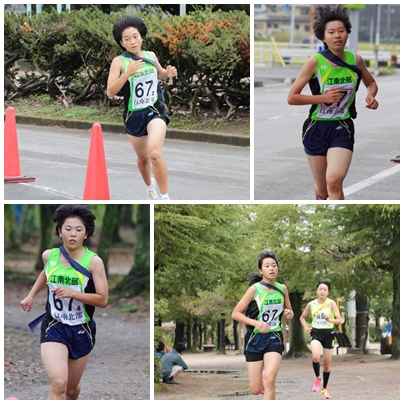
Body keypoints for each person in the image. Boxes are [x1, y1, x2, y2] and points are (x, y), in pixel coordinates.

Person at [287, 5, 379, 200]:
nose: (337, 35)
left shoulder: (356, 60)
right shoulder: (315, 62)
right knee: (323, 190)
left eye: (341, 31)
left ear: (347, 33)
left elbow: (371, 83)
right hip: (316, 128)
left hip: (341, 127)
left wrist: (371, 95)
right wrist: (323, 98)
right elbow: (292, 97)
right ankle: (320, 199)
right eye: (331, 32)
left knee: (334, 181)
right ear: (323, 37)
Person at [20, 205, 109, 400]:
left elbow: (102, 299)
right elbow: (46, 272)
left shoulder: (93, 262)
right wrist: (31, 295)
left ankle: (73, 393)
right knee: (59, 384)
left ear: (86, 234)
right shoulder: (49, 256)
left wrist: (72, 294)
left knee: (70, 389)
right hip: (54, 325)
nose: (73, 234)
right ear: (60, 232)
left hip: (81, 328)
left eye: (78, 229)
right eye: (68, 229)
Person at [107, 15, 178, 200]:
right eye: (127, 39)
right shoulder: (119, 62)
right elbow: (110, 92)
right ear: (121, 43)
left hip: (155, 111)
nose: (132, 41)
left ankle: (165, 198)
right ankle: (149, 188)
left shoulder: (150, 55)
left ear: (141, 37)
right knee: (143, 158)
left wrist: (168, 73)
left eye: (135, 36)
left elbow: (160, 73)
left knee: (154, 153)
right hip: (134, 115)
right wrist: (127, 74)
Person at [232, 251, 294, 400]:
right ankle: (263, 378)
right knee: (255, 389)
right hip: (254, 339)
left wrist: (289, 313)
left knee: (270, 380)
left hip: (274, 337)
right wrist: (256, 323)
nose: (271, 268)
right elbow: (236, 313)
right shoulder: (255, 289)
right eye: (267, 266)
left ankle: (267, 377)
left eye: (274, 265)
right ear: (261, 270)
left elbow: (289, 310)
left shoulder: (282, 288)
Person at [299, 280, 343, 399]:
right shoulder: (311, 304)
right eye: (320, 289)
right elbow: (302, 318)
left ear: (328, 292)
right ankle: (318, 378)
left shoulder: (331, 303)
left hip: (328, 334)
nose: (322, 291)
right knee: (315, 357)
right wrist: (306, 328)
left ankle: (324, 389)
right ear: (316, 291)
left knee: (327, 365)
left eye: (325, 290)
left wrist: (330, 320)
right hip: (316, 333)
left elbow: (340, 320)